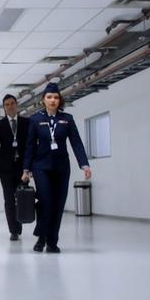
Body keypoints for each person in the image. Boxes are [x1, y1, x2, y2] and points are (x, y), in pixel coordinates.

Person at [21, 82, 92, 253]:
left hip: (61, 168)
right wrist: (26, 170)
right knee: (46, 202)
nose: (53, 100)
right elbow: (29, 145)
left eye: (56, 97)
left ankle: (52, 241)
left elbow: (76, 142)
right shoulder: (36, 120)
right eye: (49, 97)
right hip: (41, 167)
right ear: (43, 100)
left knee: (58, 205)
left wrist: (84, 164)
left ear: (60, 100)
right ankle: (41, 237)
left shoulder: (67, 119)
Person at [0, 94, 30, 241]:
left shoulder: (27, 123)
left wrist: (30, 167)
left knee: (22, 197)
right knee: (8, 199)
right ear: (4, 108)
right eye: (6, 104)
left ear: (16, 105)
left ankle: (19, 224)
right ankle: (13, 230)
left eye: (12, 103)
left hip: (23, 168)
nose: (10, 106)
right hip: (5, 168)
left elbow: (31, 146)